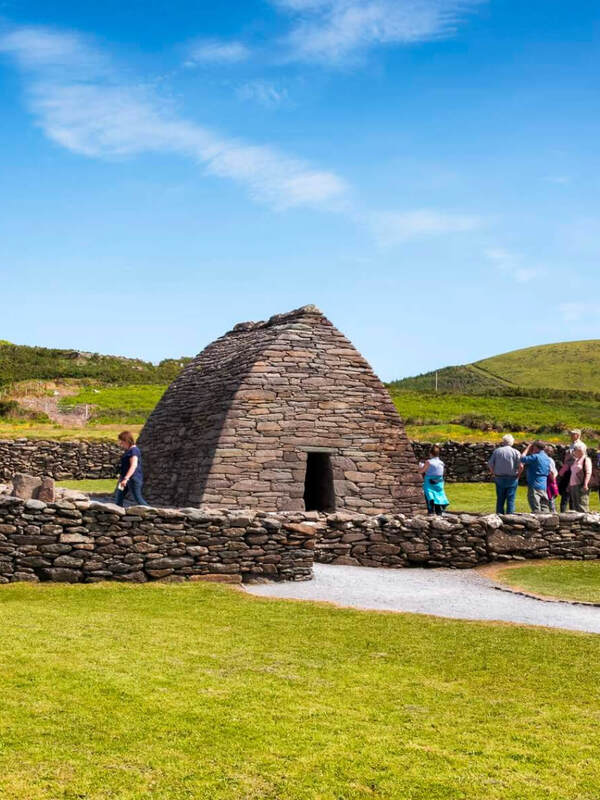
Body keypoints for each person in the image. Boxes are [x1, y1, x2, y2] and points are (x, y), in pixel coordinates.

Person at [488, 434, 521, 514]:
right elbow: (521, 466)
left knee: (500, 499)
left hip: (499, 477)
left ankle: (499, 516)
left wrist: (493, 474)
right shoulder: (516, 452)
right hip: (512, 478)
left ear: (503, 442)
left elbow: (490, 464)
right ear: (512, 442)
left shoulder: (497, 451)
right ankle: (510, 518)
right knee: (511, 499)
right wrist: (518, 476)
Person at [115, 430, 148, 507]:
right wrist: (122, 478)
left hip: (133, 479)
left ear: (127, 441)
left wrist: (126, 478)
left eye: (122, 442)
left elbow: (134, 465)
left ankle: (153, 512)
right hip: (125, 479)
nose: (121, 444)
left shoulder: (134, 451)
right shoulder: (129, 451)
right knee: (119, 497)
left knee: (138, 498)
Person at [559, 441, 591, 513]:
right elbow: (573, 473)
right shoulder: (576, 460)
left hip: (581, 484)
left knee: (582, 504)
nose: (574, 452)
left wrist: (585, 484)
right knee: (575, 505)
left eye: (575, 450)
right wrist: (569, 485)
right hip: (573, 485)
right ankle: (578, 523)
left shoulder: (586, 459)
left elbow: (588, 472)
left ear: (580, 451)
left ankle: (585, 521)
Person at [520, 440, 551, 513]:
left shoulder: (535, 457)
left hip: (534, 483)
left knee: (536, 508)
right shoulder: (546, 457)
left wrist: (528, 448)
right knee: (544, 507)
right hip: (543, 484)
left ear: (536, 447)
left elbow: (522, 459)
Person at [419, 445, 449, 515]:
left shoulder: (428, 462)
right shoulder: (441, 463)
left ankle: (431, 511)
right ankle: (439, 511)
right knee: (438, 495)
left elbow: (421, 471)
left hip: (429, 481)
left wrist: (420, 466)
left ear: (430, 453)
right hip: (439, 482)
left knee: (429, 495)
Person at [545, 445, 559, 512]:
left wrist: (553, 482)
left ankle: (553, 514)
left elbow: (551, 472)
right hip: (550, 480)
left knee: (550, 499)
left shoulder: (549, 460)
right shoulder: (549, 459)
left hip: (550, 481)